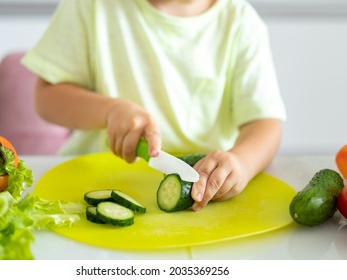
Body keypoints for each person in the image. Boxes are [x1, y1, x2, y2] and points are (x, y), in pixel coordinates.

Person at [21, 0, 286, 211]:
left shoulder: (241, 22)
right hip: (91, 179)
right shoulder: (91, 6)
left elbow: (264, 123)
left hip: (202, 188)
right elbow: (47, 97)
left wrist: (242, 162)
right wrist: (110, 111)